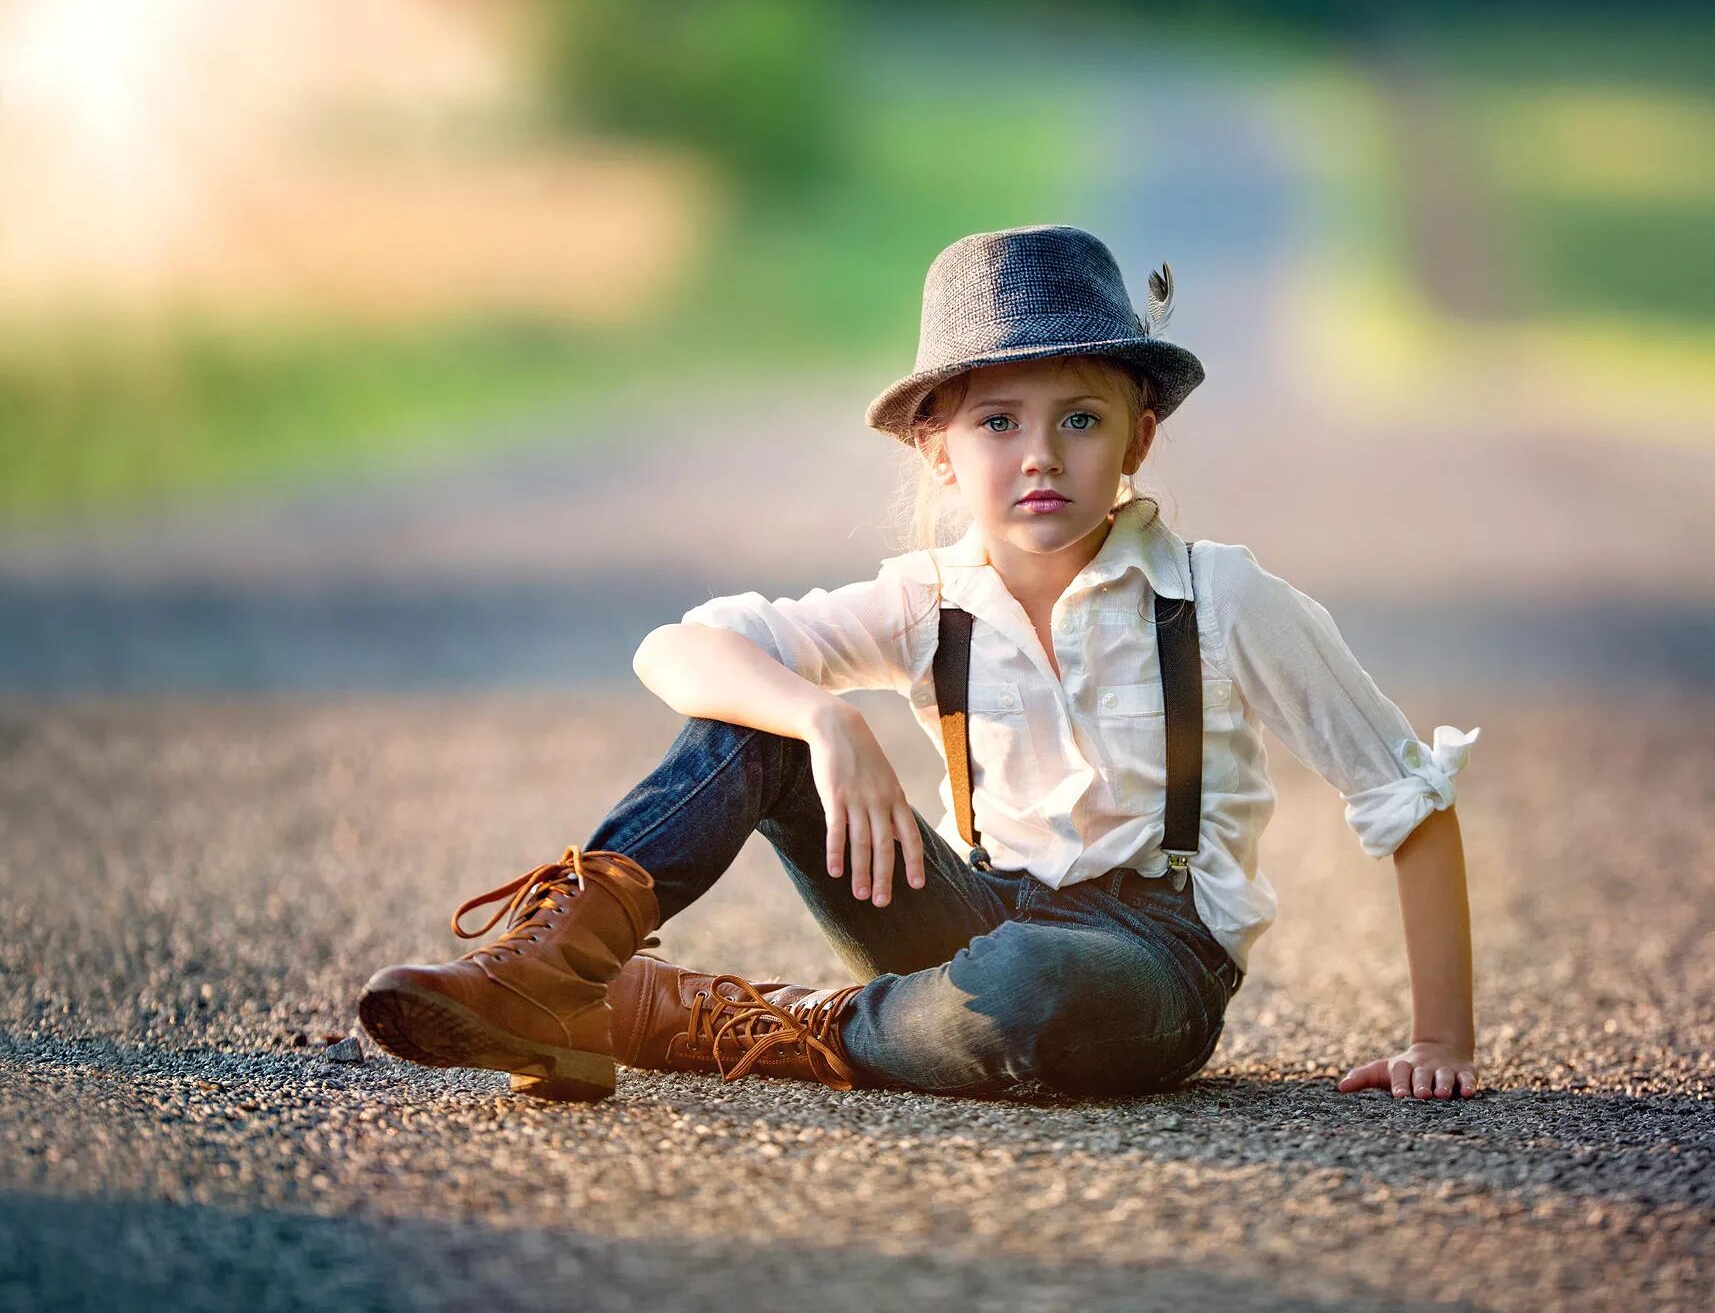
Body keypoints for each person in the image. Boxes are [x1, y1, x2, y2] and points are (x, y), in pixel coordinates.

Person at [355, 224, 1483, 1105]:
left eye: (1079, 420)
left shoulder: (1221, 598)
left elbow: (1401, 793)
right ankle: (549, 975)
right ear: (936, 449)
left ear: (1136, 437)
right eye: (996, 421)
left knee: (1034, 990)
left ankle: (714, 1023)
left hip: (1146, 965)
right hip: (967, 913)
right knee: (755, 721)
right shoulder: (925, 601)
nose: (1039, 454)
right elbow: (677, 648)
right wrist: (824, 719)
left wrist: (1438, 1042)